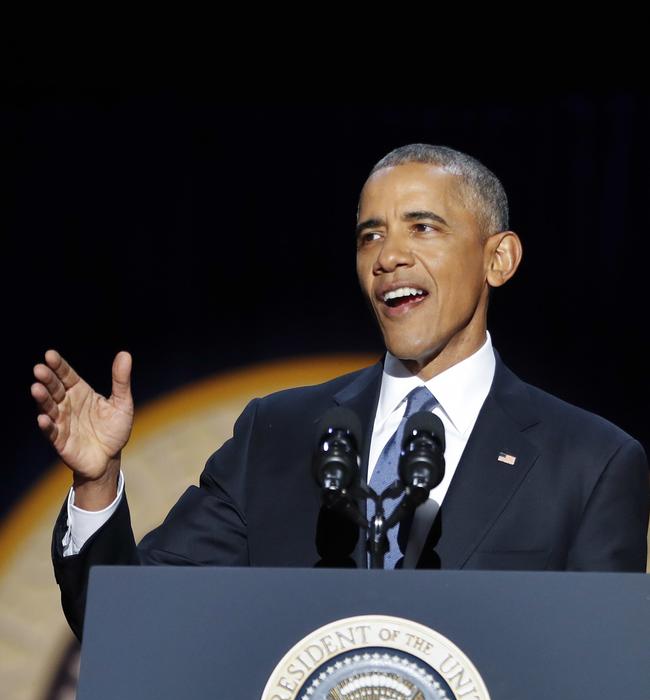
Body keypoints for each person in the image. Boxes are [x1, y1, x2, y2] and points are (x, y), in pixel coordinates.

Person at [31, 144, 650, 639]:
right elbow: (127, 621)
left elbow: (598, 683)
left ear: (499, 259)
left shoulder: (590, 463)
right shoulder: (276, 433)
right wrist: (97, 482)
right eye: (370, 235)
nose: (389, 256)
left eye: (423, 227)